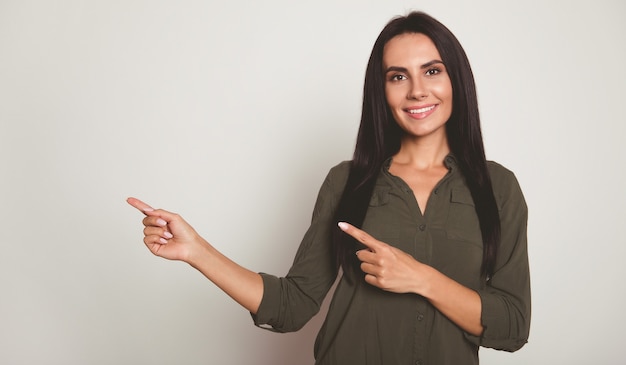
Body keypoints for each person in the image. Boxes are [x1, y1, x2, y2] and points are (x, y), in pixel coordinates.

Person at [127, 11, 530, 365]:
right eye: (397, 76)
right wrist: (197, 250)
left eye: (432, 70)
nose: (417, 91)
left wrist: (421, 278)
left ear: (455, 78)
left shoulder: (498, 188)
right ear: (382, 90)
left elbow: (512, 325)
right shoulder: (348, 182)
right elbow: (293, 305)